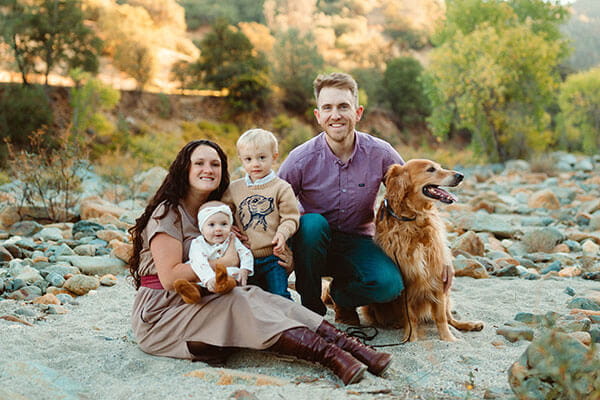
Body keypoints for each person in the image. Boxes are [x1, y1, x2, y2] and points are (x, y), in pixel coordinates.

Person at [128, 139, 393, 385]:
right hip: (163, 312)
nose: (208, 169)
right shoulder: (168, 211)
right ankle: (330, 356)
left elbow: (256, 248)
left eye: (215, 164)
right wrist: (224, 259)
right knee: (241, 300)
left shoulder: (219, 214)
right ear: (183, 168)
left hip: (205, 297)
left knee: (261, 297)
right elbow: (170, 277)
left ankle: (351, 346)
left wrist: (285, 260)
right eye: (199, 163)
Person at [279, 72, 453, 325]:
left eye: (343, 107)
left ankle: (342, 297)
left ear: (357, 113)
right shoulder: (300, 159)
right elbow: (272, 203)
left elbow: (415, 196)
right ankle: (312, 310)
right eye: (327, 107)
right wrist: (281, 249)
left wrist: (443, 257)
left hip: (358, 242)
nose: (335, 115)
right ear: (318, 116)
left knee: (389, 285)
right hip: (311, 246)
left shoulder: (380, 153)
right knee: (312, 224)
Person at [222, 128, 299, 299]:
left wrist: (282, 233)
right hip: (245, 258)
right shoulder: (235, 188)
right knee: (249, 298)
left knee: (279, 295)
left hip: (273, 258)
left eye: (262, 158)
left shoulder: (281, 188)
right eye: (248, 159)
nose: (255, 164)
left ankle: (290, 323)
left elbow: (291, 218)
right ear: (241, 160)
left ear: (274, 157)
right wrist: (230, 227)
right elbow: (223, 210)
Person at [172, 201, 253, 304]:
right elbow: (198, 261)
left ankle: (224, 284)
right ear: (202, 228)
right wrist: (209, 278)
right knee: (195, 282)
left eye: (224, 224)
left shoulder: (231, 239)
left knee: (231, 278)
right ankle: (192, 292)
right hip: (203, 276)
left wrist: (245, 268)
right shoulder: (198, 243)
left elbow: (245, 253)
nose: (218, 229)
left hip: (227, 274)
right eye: (211, 225)